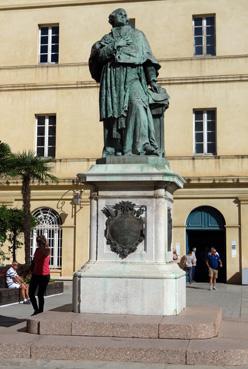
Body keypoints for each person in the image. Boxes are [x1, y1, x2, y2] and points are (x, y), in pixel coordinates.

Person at [89, 8, 167, 157]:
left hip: (133, 76)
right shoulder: (106, 39)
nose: (124, 16)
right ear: (111, 19)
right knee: (114, 115)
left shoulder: (138, 35)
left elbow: (148, 59)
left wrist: (153, 80)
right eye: (120, 14)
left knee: (138, 106)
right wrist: (115, 45)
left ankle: (142, 145)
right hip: (112, 79)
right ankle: (116, 147)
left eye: (125, 14)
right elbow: (97, 57)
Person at [29, 235, 50, 315]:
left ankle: (40, 312)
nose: (37, 243)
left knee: (40, 295)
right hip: (35, 274)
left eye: (39, 242)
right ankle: (36, 310)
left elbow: (45, 253)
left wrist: (44, 244)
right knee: (31, 293)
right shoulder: (37, 250)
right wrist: (29, 270)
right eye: (37, 242)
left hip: (44, 275)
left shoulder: (47, 249)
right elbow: (34, 261)